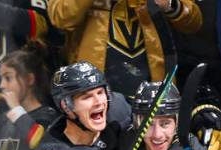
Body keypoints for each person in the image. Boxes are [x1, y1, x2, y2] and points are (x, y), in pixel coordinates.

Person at [46, 0, 201, 99]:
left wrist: (169, 4)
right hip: (94, 89)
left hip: (153, 90)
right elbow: (59, 17)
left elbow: (194, 22)